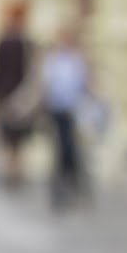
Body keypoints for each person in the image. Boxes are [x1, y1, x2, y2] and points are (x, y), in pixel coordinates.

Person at [41, 22, 91, 209]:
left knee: (71, 150)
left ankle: (72, 188)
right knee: (60, 151)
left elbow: (85, 83)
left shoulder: (77, 58)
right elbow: (45, 83)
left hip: (74, 111)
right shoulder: (53, 58)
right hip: (56, 110)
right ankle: (60, 190)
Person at [0, 0, 35, 187]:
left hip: (8, 95)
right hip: (17, 96)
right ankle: (13, 169)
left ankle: (11, 169)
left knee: (11, 138)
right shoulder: (23, 42)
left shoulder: (7, 41)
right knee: (15, 138)